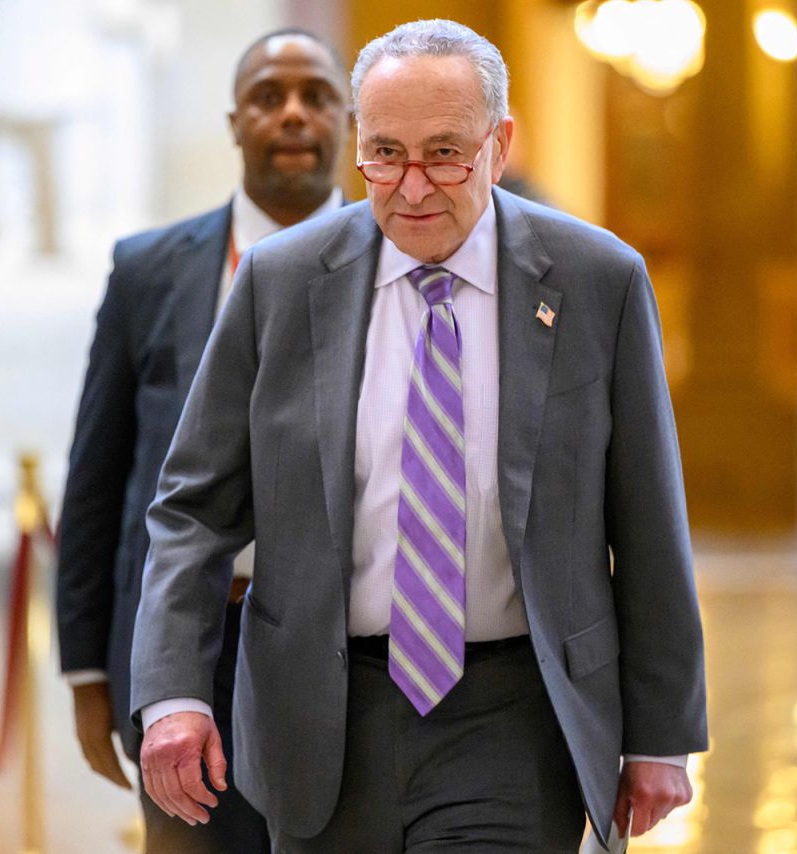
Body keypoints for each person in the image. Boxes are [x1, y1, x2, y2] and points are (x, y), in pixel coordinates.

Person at [131, 19, 707, 852]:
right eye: (384, 153)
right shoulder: (281, 283)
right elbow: (193, 510)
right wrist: (176, 694)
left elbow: (649, 523)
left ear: (500, 144)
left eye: (445, 153)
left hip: (513, 714)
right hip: (322, 713)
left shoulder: (596, 282)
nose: (411, 186)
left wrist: (659, 732)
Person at [54, 28, 350, 854]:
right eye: (268, 96)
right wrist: (90, 672)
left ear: (348, 119)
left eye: (316, 96)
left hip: (345, 648)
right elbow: (97, 476)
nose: (292, 115)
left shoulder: (396, 264)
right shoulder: (149, 270)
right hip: (188, 643)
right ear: (233, 121)